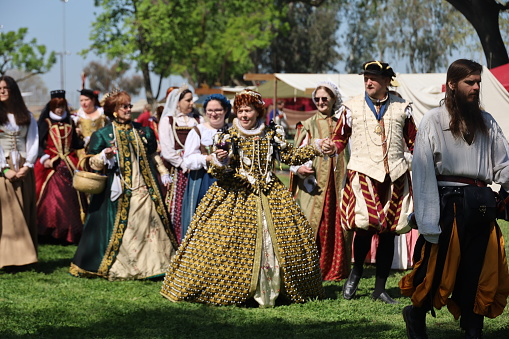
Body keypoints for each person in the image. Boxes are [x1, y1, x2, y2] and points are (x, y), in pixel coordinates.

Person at [160, 89, 332, 307]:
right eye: (240, 111)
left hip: (271, 194)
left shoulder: (271, 134)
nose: (243, 115)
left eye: (248, 111)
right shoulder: (227, 136)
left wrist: (315, 147)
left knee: (284, 240)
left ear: (257, 111)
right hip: (237, 195)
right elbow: (219, 173)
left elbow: (290, 156)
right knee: (225, 244)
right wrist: (219, 160)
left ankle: (278, 289)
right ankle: (237, 288)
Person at [400, 59, 509, 339]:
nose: (475, 87)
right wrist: (427, 220)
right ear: (452, 85)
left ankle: (473, 326)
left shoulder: (487, 122)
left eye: (478, 83)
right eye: (469, 82)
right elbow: (422, 172)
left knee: (476, 269)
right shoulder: (433, 120)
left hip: (481, 205)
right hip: (448, 204)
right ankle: (416, 314)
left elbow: (503, 166)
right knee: (435, 269)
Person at [70, 90, 177, 280]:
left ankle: (155, 266)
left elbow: (153, 155)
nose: (129, 109)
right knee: (124, 228)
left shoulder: (142, 130)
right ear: (114, 111)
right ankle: (126, 267)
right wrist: (105, 156)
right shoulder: (103, 134)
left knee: (149, 225)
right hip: (118, 191)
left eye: (129, 106)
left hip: (145, 187)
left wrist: (163, 173)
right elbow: (91, 162)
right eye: (124, 106)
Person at [334, 61, 416, 304]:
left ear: (386, 81)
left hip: (395, 176)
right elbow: (339, 138)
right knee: (364, 226)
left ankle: (380, 287)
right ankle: (356, 272)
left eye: (374, 78)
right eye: (366, 78)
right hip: (362, 173)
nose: (368, 82)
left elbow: (414, 140)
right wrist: (331, 147)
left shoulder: (402, 107)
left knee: (390, 232)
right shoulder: (351, 107)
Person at [290, 81, 350, 281]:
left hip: (339, 182)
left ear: (333, 99)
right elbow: (295, 155)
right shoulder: (307, 125)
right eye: (317, 99)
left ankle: (336, 269)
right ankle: (311, 268)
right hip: (314, 185)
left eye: (325, 98)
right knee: (314, 222)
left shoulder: (344, 123)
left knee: (337, 222)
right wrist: (300, 169)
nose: (321, 102)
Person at [35, 90, 85, 244]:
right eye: (57, 106)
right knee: (51, 197)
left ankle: (71, 231)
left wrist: (88, 140)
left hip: (70, 163)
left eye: (62, 106)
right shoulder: (45, 123)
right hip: (51, 164)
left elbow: (76, 144)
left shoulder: (70, 121)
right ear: (51, 106)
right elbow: (36, 143)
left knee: (74, 195)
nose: (59, 109)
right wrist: (44, 158)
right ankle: (49, 231)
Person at [180, 94, 231, 240]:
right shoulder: (198, 131)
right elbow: (188, 160)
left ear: (226, 110)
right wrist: (208, 158)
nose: (213, 114)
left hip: (228, 182)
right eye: (209, 110)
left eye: (218, 110)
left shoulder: (232, 130)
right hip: (203, 181)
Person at [0, 75, 39, 270]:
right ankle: (8, 257)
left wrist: (27, 165)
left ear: (13, 91)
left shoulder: (27, 116)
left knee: (24, 210)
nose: (2, 91)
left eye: (6, 88)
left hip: (23, 167)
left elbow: (33, 141)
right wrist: (4, 168)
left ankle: (25, 257)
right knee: (8, 213)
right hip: (4, 168)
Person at [158, 85, 203, 242]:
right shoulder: (168, 121)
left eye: (192, 100)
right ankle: (176, 238)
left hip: (197, 167)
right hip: (177, 170)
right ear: (177, 102)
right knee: (177, 204)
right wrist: (184, 165)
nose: (191, 103)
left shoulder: (198, 120)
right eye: (188, 100)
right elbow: (168, 150)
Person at [73, 89, 108, 154]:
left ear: (93, 100)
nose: (84, 103)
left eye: (86, 100)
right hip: (83, 151)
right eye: (81, 100)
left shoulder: (103, 114)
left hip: (101, 149)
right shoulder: (77, 116)